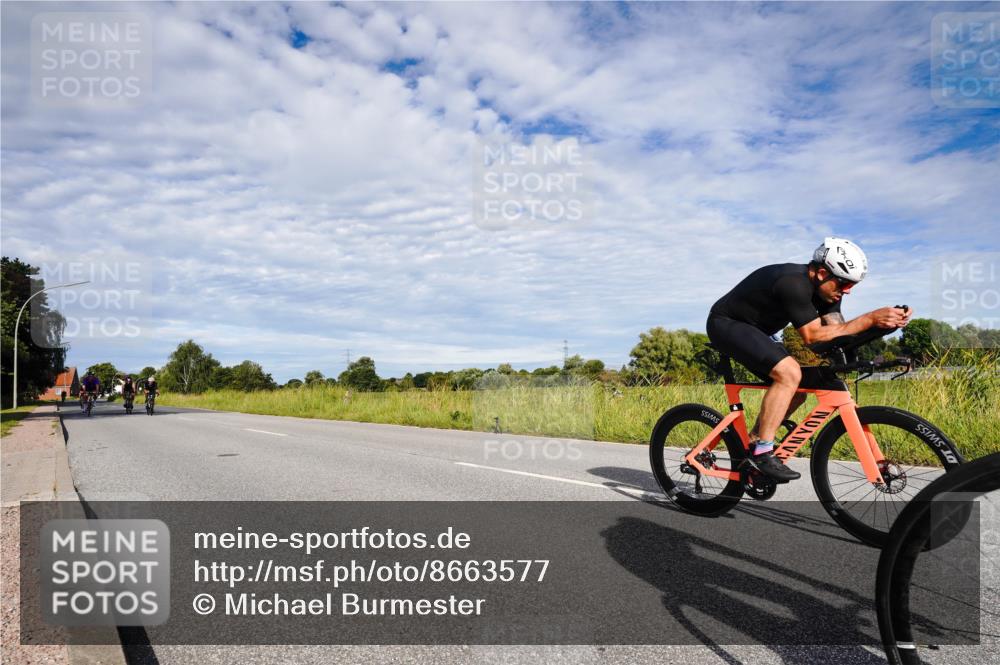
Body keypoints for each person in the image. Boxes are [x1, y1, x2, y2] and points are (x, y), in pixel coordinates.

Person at [706, 237, 912, 482]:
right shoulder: (793, 283)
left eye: (851, 286)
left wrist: (883, 327)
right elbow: (812, 335)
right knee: (789, 373)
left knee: (800, 386)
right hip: (727, 324)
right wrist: (869, 318)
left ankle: (753, 442)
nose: (847, 291)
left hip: (759, 332)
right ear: (823, 273)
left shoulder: (829, 293)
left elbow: (835, 335)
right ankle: (762, 451)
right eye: (844, 284)